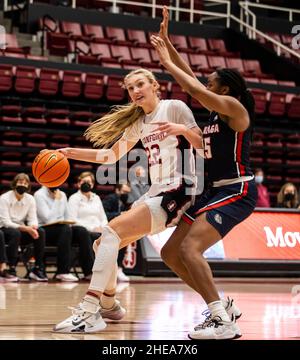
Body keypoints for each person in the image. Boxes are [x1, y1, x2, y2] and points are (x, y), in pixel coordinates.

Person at [53, 67, 201, 333]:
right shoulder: (138, 123)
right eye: (130, 88)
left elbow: (202, 142)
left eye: (140, 84)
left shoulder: (175, 107)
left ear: (155, 85)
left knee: (111, 232)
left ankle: (90, 310)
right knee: (102, 244)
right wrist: (69, 152)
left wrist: (180, 128)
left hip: (181, 188)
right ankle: (109, 304)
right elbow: (110, 156)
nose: (135, 91)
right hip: (157, 191)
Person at [149, 6, 258, 340]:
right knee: (170, 253)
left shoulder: (235, 109)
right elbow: (195, 83)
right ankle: (221, 305)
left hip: (236, 190)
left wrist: (167, 65)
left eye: (213, 84)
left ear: (224, 90)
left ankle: (223, 323)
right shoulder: (215, 109)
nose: (205, 85)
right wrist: (168, 45)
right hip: (214, 190)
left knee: (190, 249)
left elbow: (195, 89)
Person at [0, 173, 47, 281]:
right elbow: (6, 222)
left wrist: (33, 227)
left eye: (25, 183)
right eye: (20, 182)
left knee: (41, 231)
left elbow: (32, 218)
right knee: (15, 233)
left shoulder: (30, 199)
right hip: (4, 229)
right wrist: (27, 229)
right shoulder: (4, 198)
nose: (23, 185)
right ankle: (11, 268)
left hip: (21, 229)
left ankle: (37, 268)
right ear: (15, 184)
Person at [68, 171, 108, 280]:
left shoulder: (97, 198)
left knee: (111, 236)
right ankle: (89, 272)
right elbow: (72, 220)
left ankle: (112, 270)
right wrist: (91, 228)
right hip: (80, 231)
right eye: (84, 181)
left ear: (93, 184)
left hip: (97, 230)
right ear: (78, 183)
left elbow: (103, 218)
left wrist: (103, 228)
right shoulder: (74, 198)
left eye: (89, 182)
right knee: (86, 234)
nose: (86, 184)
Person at [34, 186, 78, 282]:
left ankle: (89, 272)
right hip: (44, 230)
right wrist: (57, 201)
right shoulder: (39, 195)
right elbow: (48, 219)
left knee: (81, 231)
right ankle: (63, 272)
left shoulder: (62, 194)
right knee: (65, 230)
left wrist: (71, 224)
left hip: (61, 229)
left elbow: (67, 216)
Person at [102, 183, 132, 282]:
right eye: (124, 192)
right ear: (117, 190)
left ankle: (118, 268)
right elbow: (103, 214)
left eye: (128, 193)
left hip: (116, 228)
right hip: (104, 226)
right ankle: (113, 269)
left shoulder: (123, 202)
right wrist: (119, 214)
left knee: (125, 238)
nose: (126, 195)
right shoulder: (111, 198)